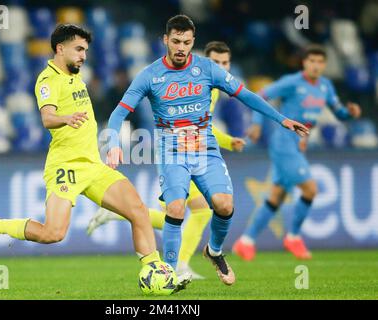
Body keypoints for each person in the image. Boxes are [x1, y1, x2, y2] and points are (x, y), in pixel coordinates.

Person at [0, 24, 185, 291]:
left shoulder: (75, 76)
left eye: (86, 50)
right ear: (60, 48)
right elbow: (46, 117)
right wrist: (64, 118)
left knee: (137, 211)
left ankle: (156, 273)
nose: (84, 56)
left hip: (92, 164)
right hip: (65, 166)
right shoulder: (48, 80)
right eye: (79, 49)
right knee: (53, 233)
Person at [105, 15, 309, 285]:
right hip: (172, 152)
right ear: (165, 40)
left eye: (186, 42)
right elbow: (119, 112)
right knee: (176, 207)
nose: (180, 47)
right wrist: (113, 144)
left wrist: (281, 119)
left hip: (205, 150)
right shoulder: (150, 75)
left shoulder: (207, 69)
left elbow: (245, 94)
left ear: (193, 42)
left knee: (224, 205)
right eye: (175, 41)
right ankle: (168, 272)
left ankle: (214, 251)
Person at [87, 41, 246, 280]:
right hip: (177, 155)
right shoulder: (198, 83)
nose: (220, 67)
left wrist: (225, 141)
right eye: (216, 62)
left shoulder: (212, 88)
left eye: (225, 63)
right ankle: (180, 265)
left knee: (179, 215)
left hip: (195, 153)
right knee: (195, 212)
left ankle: (119, 215)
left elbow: (205, 128)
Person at [232, 44, 361, 261]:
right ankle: (293, 237)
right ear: (304, 63)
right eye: (312, 61)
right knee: (311, 189)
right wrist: (256, 123)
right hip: (283, 143)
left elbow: (338, 111)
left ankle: (246, 241)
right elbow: (260, 95)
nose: (316, 66)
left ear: (325, 64)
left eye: (320, 62)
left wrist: (349, 114)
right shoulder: (291, 82)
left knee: (276, 196)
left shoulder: (326, 86)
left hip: (298, 144)